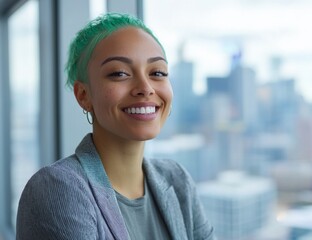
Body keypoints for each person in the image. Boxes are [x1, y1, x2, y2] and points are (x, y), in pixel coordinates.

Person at [16, 13, 215, 240]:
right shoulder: (56, 190)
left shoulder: (177, 179)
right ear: (83, 95)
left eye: (157, 73)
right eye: (120, 73)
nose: (145, 87)